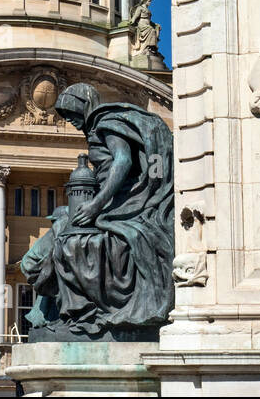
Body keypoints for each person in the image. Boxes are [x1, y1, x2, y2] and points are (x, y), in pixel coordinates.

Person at [20, 83, 175, 340]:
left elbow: (123, 161)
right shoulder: (100, 127)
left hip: (123, 203)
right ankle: (59, 313)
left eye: (70, 112)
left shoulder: (105, 122)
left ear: (84, 105)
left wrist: (96, 204)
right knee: (59, 224)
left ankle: (78, 313)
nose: (68, 119)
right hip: (112, 201)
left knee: (65, 241)